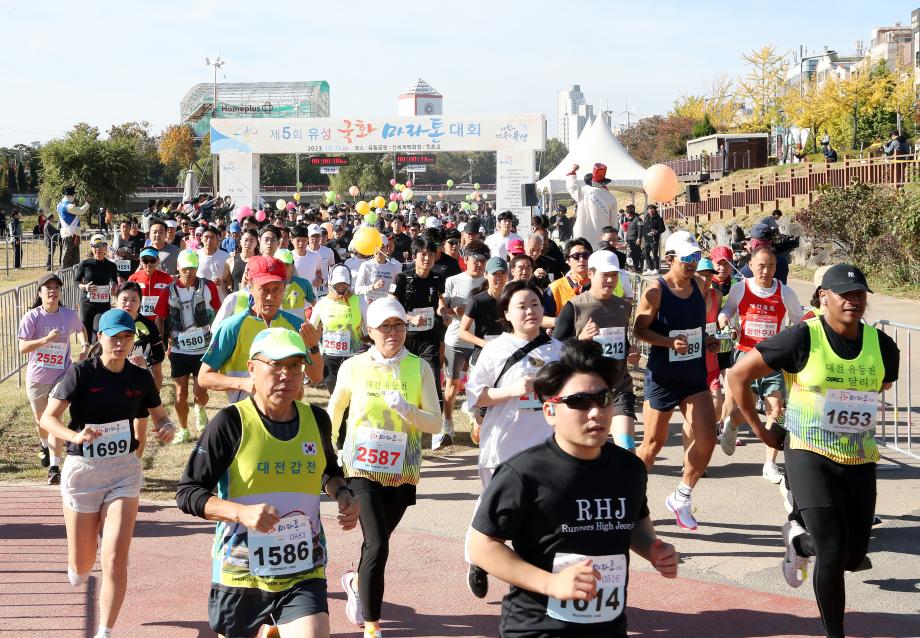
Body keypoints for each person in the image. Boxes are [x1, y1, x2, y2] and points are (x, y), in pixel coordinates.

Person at [727, 264, 898, 638]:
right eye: (844, 294)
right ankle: (834, 634)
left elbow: (881, 385)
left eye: (859, 294)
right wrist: (760, 429)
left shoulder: (882, 345)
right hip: (808, 454)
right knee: (833, 554)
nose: (854, 300)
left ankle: (798, 542)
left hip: (858, 457)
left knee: (854, 557)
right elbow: (737, 376)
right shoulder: (801, 337)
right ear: (824, 297)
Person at [468, 339, 678, 638]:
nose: (595, 412)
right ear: (550, 411)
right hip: (538, 628)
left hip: (608, 626)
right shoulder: (523, 473)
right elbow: (482, 546)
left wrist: (654, 549)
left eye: (603, 399)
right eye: (579, 402)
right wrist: (551, 583)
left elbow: (635, 525)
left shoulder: (628, 468)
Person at [176, 328, 359, 638]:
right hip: (241, 573)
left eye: (294, 366)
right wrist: (240, 513)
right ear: (252, 369)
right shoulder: (230, 423)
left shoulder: (316, 420)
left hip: (303, 568)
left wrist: (342, 493)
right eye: (275, 365)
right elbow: (188, 492)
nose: (285, 375)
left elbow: (328, 470)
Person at [39, 309, 175, 638]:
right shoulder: (81, 373)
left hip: (122, 472)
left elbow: (158, 414)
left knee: (115, 556)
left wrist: (166, 425)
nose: (121, 343)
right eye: (114, 336)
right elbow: (48, 419)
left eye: (127, 337)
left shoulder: (139, 377)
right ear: (100, 337)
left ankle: (105, 631)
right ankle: (78, 565)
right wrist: (75, 436)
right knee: (83, 565)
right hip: (83, 471)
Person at [326, 298, 442, 638]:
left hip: (402, 469)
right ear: (369, 331)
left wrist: (409, 410)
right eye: (385, 327)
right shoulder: (353, 367)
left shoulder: (419, 367)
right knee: (378, 544)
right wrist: (329, 453)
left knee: (376, 542)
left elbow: (435, 424)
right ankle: (373, 626)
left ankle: (356, 582)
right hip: (361, 466)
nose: (392, 332)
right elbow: (334, 412)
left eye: (398, 325)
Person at [464, 280, 565, 598]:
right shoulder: (495, 350)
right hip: (503, 449)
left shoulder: (557, 350)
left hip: (546, 450)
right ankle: (479, 558)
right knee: (497, 513)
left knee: (539, 519)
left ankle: (527, 583)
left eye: (535, 304)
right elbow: (475, 397)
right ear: (506, 313)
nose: (531, 311)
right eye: (522, 306)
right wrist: (511, 391)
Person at [632, 231, 719, 531]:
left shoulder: (699, 285)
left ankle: (682, 496)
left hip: (693, 376)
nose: (694, 263)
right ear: (670, 258)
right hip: (663, 377)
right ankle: (630, 500)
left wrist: (706, 341)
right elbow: (639, 331)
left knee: (707, 438)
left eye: (696, 257)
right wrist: (670, 344)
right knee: (652, 445)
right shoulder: (655, 291)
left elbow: (695, 326)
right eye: (688, 259)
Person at [719, 246, 802, 484]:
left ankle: (770, 464)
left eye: (771, 266)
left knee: (776, 409)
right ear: (752, 266)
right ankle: (732, 422)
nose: (766, 271)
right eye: (761, 266)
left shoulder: (785, 292)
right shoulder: (740, 288)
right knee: (745, 409)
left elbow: (798, 322)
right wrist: (724, 318)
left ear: (776, 267)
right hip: (746, 357)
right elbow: (728, 309)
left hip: (773, 360)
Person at [199, 255, 324, 404]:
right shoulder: (232, 327)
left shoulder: (296, 325)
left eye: (276, 289)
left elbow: (316, 377)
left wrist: (313, 347)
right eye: (264, 290)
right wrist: (243, 383)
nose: (270, 297)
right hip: (246, 419)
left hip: (288, 418)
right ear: (250, 287)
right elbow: (204, 377)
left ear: (285, 288)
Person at [553, 251, 641, 451]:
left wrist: (630, 351)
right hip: (585, 389)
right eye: (605, 275)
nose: (610, 280)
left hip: (618, 385)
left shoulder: (622, 306)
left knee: (626, 448)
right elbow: (554, 349)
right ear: (591, 274)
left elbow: (622, 340)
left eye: (614, 275)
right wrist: (579, 339)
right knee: (587, 449)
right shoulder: (575, 306)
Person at [18, 273, 89, 485]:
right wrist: (45, 340)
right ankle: (44, 444)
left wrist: (84, 346)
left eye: (56, 287)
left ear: (60, 292)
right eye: (47, 287)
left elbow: (82, 328)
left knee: (54, 418)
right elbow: (22, 347)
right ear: (39, 293)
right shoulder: (32, 317)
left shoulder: (68, 315)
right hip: (38, 377)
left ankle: (54, 467)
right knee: (41, 421)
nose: (52, 291)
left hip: (62, 374)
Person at [155, 250, 221, 443]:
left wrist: (216, 335)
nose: (188, 272)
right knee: (180, 393)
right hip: (179, 349)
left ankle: (200, 408)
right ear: (178, 268)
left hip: (203, 349)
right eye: (185, 268)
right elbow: (160, 317)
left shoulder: (207, 287)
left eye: (192, 268)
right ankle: (183, 429)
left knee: (201, 392)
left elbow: (219, 310)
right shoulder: (168, 291)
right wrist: (159, 340)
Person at [437, 241, 488, 449]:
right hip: (456, 339)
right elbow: (443, 303)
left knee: (477, 386)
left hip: (480, 341)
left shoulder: (489, 280)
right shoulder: (452, 280)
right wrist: (446, 311)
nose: (479, 265)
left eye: (483, 261)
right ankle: (447, 426)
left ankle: (475, 422)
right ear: (465, 260)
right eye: (475, 260)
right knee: (451, 388)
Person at [389, 237, 447, 411]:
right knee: (404, 376)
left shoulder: (437, 278)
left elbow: (441, 302)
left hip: (429, 336)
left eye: (431, 254)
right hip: (405, 337)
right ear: (414, 256)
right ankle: (401, 409)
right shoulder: (402, 278)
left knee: (432, 373)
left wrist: (443, 311)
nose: (427, 258)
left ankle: (436, 414)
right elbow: (391, 306)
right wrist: (410, 318)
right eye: (423, 254)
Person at [309, 264, 367, 406]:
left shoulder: (360, 301)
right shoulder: (322, 304)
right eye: (337, 284)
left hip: (354, 357)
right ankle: (338, 427)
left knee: (353, 399)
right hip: (330, 358)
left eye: (344, 283)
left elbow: (370, 327)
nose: (341, 287)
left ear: (349, 283)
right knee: (336, 399)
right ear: (330, 283)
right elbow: (311, 329)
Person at [113, 281, 165, 393]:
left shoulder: (149, 325)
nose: (128, 304)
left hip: (141, 373)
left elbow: (159, 354)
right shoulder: (108, 323)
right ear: (116, 301)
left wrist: (146, 363)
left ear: (140, 303)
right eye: (124, 299)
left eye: (133, 300)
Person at [75, 234, 119, 344]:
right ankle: (86, 355)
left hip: (103, 304)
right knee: (86, 332)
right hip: (87, 303)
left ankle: (96, 356)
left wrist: (114, 287)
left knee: (98, 330)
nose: (97, 249)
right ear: (91, 248)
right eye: (95, 246)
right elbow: (76, 282)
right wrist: (85, 287)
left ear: (105, 247)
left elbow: (115, 281)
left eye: (100, 246)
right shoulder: (85, 264)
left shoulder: (111, 266)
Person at [543, 239, 593, 327]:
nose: (581, 259)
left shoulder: (599, 284)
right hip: (566, 338)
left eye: (586, 255)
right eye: (576, 256)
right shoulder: (556, 287)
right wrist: (563, 320)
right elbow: (541, 319)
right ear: (567, 260)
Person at [127, 247, 172, 335]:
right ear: (140, 261)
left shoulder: (167, 278)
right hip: (140, 321)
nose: (148, 264)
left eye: (152, 260)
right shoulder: (133, 278)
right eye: (145, 260)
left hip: (162, 321)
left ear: (158, 261)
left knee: (161, 347)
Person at [354, 238, 402, 305]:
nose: (379, 250)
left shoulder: (394, 267)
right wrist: (373, 287)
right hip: (369, 306)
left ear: (387, 249)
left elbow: (395, 287)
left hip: (387, 305)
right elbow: (357, 290)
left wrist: (392, 294)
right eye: (376, 247)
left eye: (382, 247)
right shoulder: (366, 265)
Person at [275, 248, 318, 321]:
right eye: (280, 265)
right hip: (277, 330)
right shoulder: (269, 285)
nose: (284, 268)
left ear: (292, 266)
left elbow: (316, 305)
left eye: (287, 265)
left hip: (298, 330)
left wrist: (315, 324)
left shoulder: (303, 284)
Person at [57, 186, 91, 268]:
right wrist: (88, 203)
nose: (74, 197)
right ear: (70, 196)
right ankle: (67, 273)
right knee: (71, 257)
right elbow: (81, 211)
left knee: (68, 255)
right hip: (72, 234)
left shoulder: (59, 205)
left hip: (68, 233)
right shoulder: (69, 206)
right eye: (73, 195)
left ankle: (68, 272)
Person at [196, 225, 231, 300]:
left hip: (221, 301)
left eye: (212, 237)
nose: (209, 240)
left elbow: (231, 281)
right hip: (200, 301)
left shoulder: (226, 257)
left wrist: (221, 283)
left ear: (217, 239)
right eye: (206, 237)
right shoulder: (195, 256)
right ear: (201, 238)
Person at [228, 227, 258, 293]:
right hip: (236, 300)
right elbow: (225, 282)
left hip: (255, 300)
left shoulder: (260, 261)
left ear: (256, 243)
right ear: (240, 241)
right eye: (246, 240)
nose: (248, 243)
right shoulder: (230, 261)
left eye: (252, 241)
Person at [641, 205, 666, 275]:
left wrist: (656, 232)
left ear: (655, 210)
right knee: (646, 254)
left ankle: (656, 268)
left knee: (654, 254)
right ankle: (649, 268)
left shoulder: (659, 218)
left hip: (654, 239)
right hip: (646, 239)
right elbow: (644, 227)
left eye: (652, 209)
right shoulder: (646, 217)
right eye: (649, 209)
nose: (650, 211)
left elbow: (663, 228)